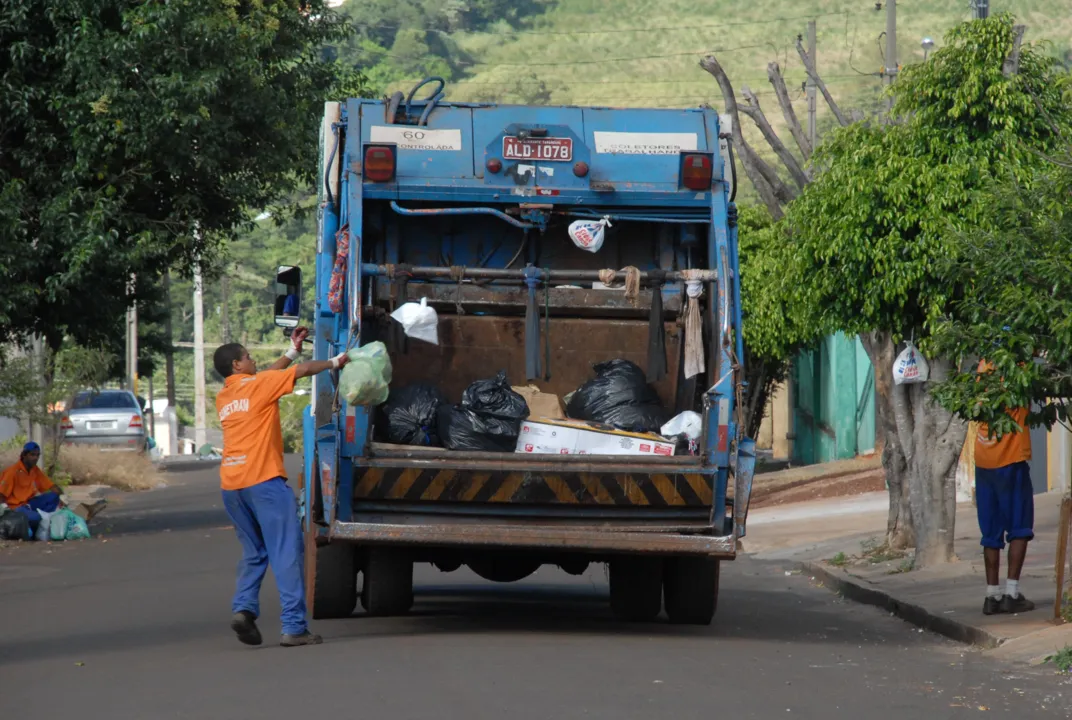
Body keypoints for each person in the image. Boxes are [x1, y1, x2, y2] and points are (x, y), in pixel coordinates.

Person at [212, 326, 350, 647]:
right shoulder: (258, 386)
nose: (253, 358)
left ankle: (244, 609)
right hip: (264, 483)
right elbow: (300, 373)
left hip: (232, 486)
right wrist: (335, 362)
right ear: (237, 365)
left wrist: (291, 351)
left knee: (254, 551)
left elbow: (268, 378)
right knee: (286, 550)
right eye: (247, 356)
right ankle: (293, 626)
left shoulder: (226, 395)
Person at [974, 360, 1035, 615]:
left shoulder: (982, 367)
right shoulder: (1019, 366)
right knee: (1020, 527)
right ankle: (1011, 592)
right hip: (1010, 461)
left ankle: (991, 596)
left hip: (983, 460)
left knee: (991, 532)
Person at [0, 441, 65, 538]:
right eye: (32, 455)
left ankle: (37, 523)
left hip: (30, 503)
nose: (35, 458)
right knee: (36, 518)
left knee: (54, 497)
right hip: (16, 507)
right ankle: (31, 527)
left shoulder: (34, 469)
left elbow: (50, 486)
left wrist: (63, 497)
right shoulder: (12, 471)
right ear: (24, 455)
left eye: (37, 455)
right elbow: (1, 495)